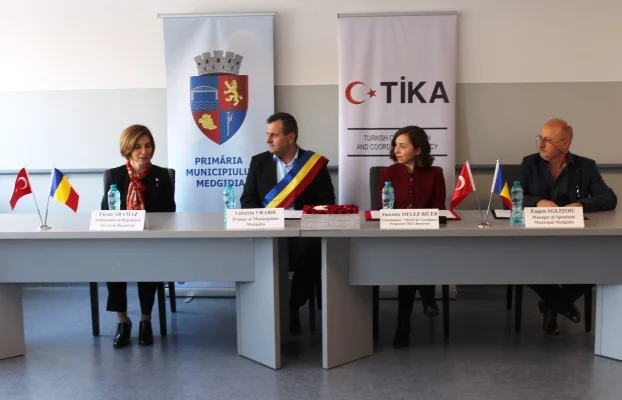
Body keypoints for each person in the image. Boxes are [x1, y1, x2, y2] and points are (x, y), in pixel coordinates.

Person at [241, 112, 335, 335]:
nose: (268, 140)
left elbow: (327, 202)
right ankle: (266, 309)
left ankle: (292, 306)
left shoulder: (313, 164)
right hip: (269, 231)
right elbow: (247, 200)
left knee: (312, 251)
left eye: (273, 135)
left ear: (290, 137)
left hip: (303, 233)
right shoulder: (258, 162)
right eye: (267, 134)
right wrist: (262, 220)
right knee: (266, 251)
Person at [520, 118, 617, 334]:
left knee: (603, 264)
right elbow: (514, 197)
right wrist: (538, 202)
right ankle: (559, 303)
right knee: (518, 263)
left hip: (575, 239)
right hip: (535, 238)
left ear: (565, 143)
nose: (540, 145)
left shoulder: (586, 166)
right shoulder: (529, 163)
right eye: (539, 138)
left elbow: (609, 198)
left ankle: (553, 304)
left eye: (547, 140)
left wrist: (581, 205)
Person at [101, 124, 176, 348]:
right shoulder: (114, 175)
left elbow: (170, 212)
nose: (145, 151)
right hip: (120, 240)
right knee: (112, 264)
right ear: (127, 149)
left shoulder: (161, 175)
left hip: (151, 239)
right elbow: (105, 211)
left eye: (148, 145)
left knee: (149, 263)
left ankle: (146, 320)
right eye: (138, 147)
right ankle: (122, 321)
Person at [377, 126, 446, 348]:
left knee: (413, 257)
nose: (396, 150)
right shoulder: (388, 173)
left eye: (402, 146)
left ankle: (403, 324)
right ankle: (426, 294)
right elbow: (381, 209)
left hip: (426, 237)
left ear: (417, 150)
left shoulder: (435, 174)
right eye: (395, 146)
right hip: (396, 237)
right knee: (410, 256)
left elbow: (439, 210)